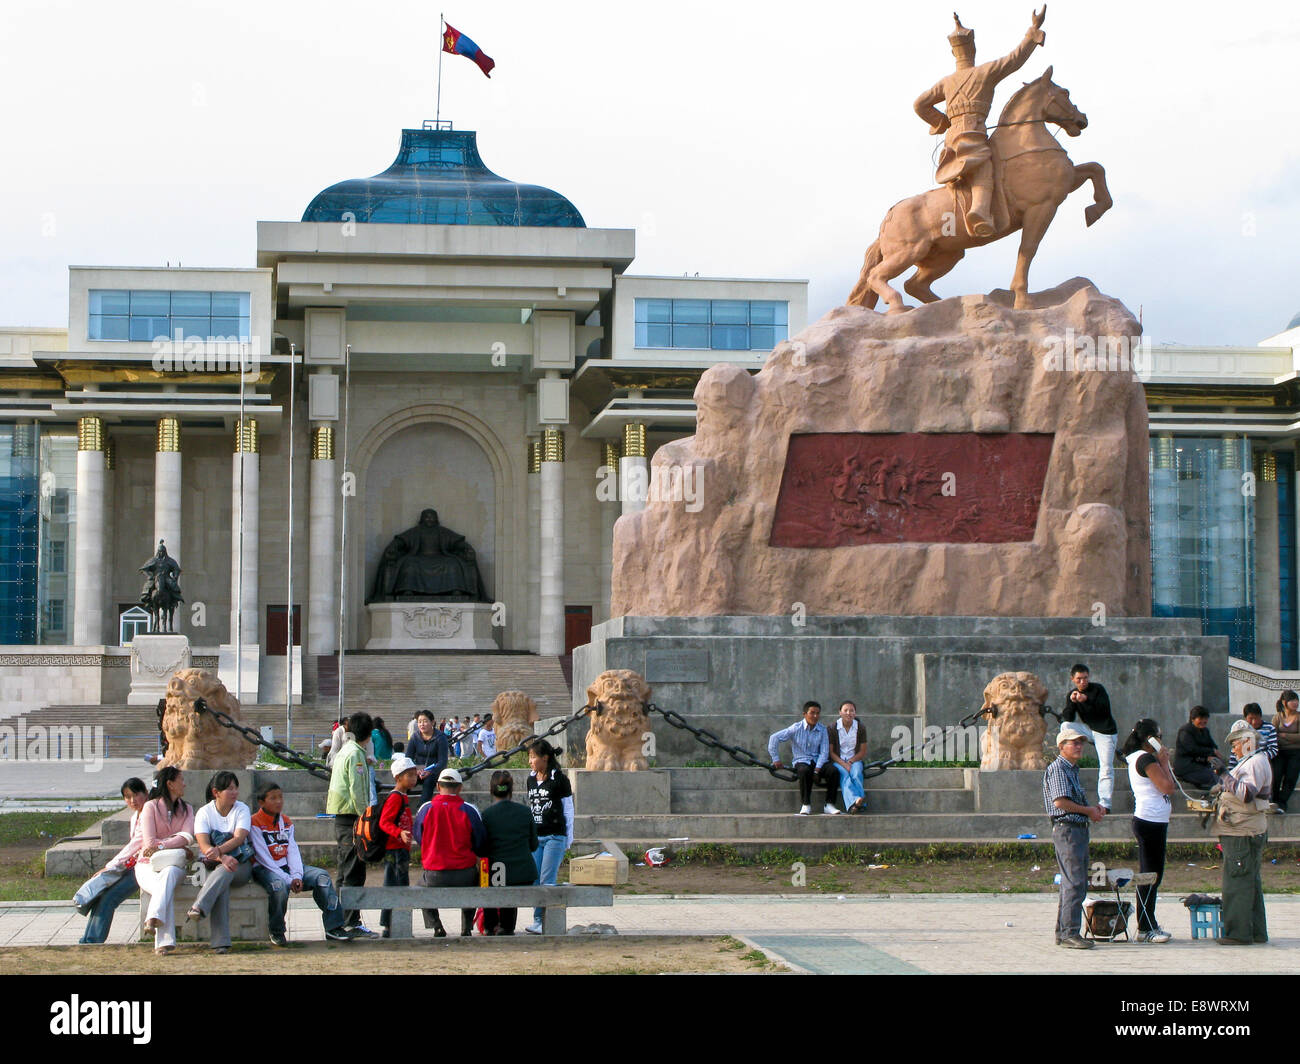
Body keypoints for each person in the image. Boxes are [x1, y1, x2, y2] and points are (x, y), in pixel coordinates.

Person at [912, 7, 1047, 238]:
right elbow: (1014, 59)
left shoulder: (946, 82)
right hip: (973, 135)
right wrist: (1032, 31)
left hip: (952, 139)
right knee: (985, 167)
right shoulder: (985, 72)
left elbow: (919, 104)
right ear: (972, 50)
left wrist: (941, 123)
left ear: (955, 55)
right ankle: (980, 212)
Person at [248, 782, 351, 945]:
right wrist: (289, 880)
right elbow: (263, 857)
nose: (278, 801)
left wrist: (296, 875)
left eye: (280, 797)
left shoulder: (286, 822)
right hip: (265, 868)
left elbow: (292, 851)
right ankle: (277, 930)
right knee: (279, 887)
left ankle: (334, 927)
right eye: (273, 798)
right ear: (262, 802)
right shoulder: (254, 822)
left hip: (287, 867)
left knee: (322, 877)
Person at [1043, 723, 1106, 949]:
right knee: (1074, 882)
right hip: (1067, 829)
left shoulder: (1071, 769)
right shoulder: (1059, 769)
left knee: (1073, 882)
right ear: (1062, 746)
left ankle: (1064, 931)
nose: (1079, 746)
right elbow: (1060, 802)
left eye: (1081, 742)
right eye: (1074, 742)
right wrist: (1088, 811)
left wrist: (1092, 810)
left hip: (1076, 829)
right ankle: (1070, 932)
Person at [1214, 719, 1273, 944]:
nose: (1234, 749)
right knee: (1250, 882)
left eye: (1236, 744)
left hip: (1243, 833)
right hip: (1242, 831)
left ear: (1247, 742)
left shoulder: (1255, 763)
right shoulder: (1250, 762)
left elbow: (1246, 794)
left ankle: (1239, 933)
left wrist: (1223, 774)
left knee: (1237, 882)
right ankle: (1256, 932)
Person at [74, 777, 149, 944]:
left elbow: (135, 844)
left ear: (146, 793)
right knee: (101, 895)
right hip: (131, 866)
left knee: (110, 898)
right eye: (128, 797)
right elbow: (132, 847)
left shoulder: (149, 814)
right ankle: (88, 940)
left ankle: (93, 941)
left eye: (136, 795)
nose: (132, 800)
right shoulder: (135, 816)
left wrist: (109, 866)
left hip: (145, 867)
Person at [413, 768, 486, 937]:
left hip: (434, 874)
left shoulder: (426, 808)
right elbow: (480, 841)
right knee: (474, 883)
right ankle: (466, 927)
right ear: (460, 787)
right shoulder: (469, 810)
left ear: (438, 786)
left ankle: (436, 925)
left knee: (419, 888)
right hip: (465, 873)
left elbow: (419, 837)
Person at [326, 711, 379, 937]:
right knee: (354, 872)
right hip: (351, 818)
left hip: (342, 816)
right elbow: (357, 790)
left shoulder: (345, 751)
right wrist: (364, 816)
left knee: (343, 871)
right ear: (368, 735)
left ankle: (338, 919)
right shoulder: (356, 754)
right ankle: (351, 921)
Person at [188, 770, 254, 953]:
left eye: (236, 788)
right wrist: (221, 857)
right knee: (221, 882)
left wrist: (221, 852)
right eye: (229, 789)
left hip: (241, 865)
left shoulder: (242, 809)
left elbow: (240, 838)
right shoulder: (204, 812)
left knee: (227, 870)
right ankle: (221, 944)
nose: (234, 792)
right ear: (216, 792)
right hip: (215, 865)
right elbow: (203, 844)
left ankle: (199, 907)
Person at [1121, 719, 1175, 943]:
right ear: (1150, 739)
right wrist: (1163, 762)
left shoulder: (1140, 757)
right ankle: (1144, 926)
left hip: (1155, 820)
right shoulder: (1145, 759)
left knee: (1155, 874)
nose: (1161, 741)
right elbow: (1167, 787)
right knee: (1150, 875)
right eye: (1159, 736)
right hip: (1149, 821)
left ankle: (1149, 921)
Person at [135, 765, 196, 955]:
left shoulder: (187, 809)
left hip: (174, 865)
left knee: (168, 874)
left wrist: (161, 846)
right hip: (147, 866)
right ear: (170, 784)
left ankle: (153, 918)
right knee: (165, 887)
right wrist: (174, 843)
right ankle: (164, 942)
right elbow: (148, 842)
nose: (184, 784)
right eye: (181, 780)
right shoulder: (150, 807)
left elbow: (187, 837)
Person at [481, 770, 538, 935]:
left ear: (491, 790)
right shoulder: (525, 812)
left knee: (493, 876)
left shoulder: (487, 815)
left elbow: (482, 848)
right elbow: (533, 845)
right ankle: (507, 925)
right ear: (511, 790)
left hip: (497, 871)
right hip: (523, 872)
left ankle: (490, 924)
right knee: (507, 878)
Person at [525, 739, 573, 935]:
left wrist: (568, 837)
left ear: (544, 758)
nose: (530, 761)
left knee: (547, 879)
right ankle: (537, 919)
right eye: (529, 757)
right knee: (535, 879)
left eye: (533, 757)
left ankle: (547, 920)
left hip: (554, 836)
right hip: (537, 837)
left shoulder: (560, 780)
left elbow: (568, 809)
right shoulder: (530, 780)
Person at [1060, 664, 1118, 812]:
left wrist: (1086, 700)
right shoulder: (1072, 693)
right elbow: (1067, 717)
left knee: (1106, 767)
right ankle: (1069, 754)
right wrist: (1072, 702)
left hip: (1105, 733)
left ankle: (1105, 804)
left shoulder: (1098, 689)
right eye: (1079, 679)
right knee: (1066, 726)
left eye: (1085, 678)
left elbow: (1103, 710)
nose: (1082, 682)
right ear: (1073, 679)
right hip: (1089, 730)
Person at [768, 701, 841, 815]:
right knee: (804, 771)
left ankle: (829, 804)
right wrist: (775, 758)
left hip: (818, 761)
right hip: (802, 760)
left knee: (833, 771)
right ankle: (806, 804)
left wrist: (817, 769)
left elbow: (824, 751)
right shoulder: (795, 728)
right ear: (805, 714)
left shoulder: (822, 730)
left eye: (817, 713)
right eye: (812, 713)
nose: (815, 716)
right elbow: (774, 738)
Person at [379, 755, 419, 938]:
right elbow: (384, 822)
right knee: (395, 884)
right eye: (409, 775)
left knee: (400, 883)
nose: (413, 778)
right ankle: (389, 924)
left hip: (401, 849)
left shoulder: (403, 797)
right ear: (398, 778)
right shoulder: (395, 798)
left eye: (414, 775)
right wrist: (399, 833)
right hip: (394, 849)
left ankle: (396, 923)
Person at [828, 701, 867, 813]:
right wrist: (844, 764)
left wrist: (851, 761)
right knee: (844, 775)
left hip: (854, 760)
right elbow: (831, 752)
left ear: (855, 713)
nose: (848, 713)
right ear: (840, 712)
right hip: (838, 760)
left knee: (856, 773)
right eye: (845, 710)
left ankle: (855, 804)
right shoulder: (832, 728)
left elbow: (863, 751)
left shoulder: (861, 728)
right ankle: (858, 802)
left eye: (851, 710)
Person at [407, 709, 450, 810]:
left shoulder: (440, 738)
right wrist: (416, 770)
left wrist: (430, 771)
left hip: (434, 771)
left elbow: (442, 762)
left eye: (425, 721)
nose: (422, 724)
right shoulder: (415, 737)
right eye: (419, 722)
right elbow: (408, 758)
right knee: (406, 779)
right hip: (418, 770)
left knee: (429, 781)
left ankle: (421, 809)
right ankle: (400, 805)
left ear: (432, 722)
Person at [1173, 705, 1222, 789]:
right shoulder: (1185, 731)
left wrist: (1213, 753)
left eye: (1205, 719)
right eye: (1200, 718)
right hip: (1187, 768)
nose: (1203, 721)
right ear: (1193, 719)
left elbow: (1213, 745)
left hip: (1201, 766)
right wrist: (1210, 752)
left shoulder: (1205, 731)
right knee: (1212, 778)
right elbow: (1192, 749)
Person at [1272, 691, 1300, 812]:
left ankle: (1282, 802)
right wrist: (1291, 738)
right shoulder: (1278, 717)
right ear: (1284, 702)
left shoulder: (1299, 717)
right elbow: (1273, 735)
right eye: (1292, 700)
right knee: (1276, 776)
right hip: (1279, 752)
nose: (1295, 703)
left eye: (1296, 700)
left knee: (1291, 777)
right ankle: (1274, 801)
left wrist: (1283, 735)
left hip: (1296, 752)